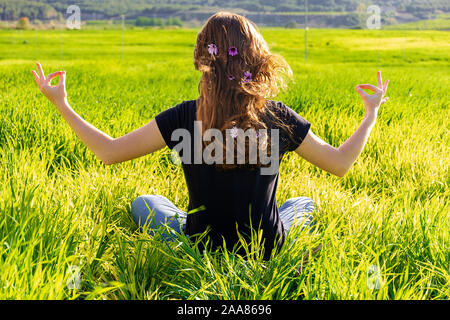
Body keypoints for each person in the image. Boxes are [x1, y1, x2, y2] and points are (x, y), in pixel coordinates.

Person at [32, 12, 389, 263]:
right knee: (305, 204)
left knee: (146, 202)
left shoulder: (185, 115)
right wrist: (370, 114)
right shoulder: (277, 116)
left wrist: (61, 104)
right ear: (255, 57)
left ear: (204, 59)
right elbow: (340, 164)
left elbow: (108, 152)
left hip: (202, 244)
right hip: (266, 248)